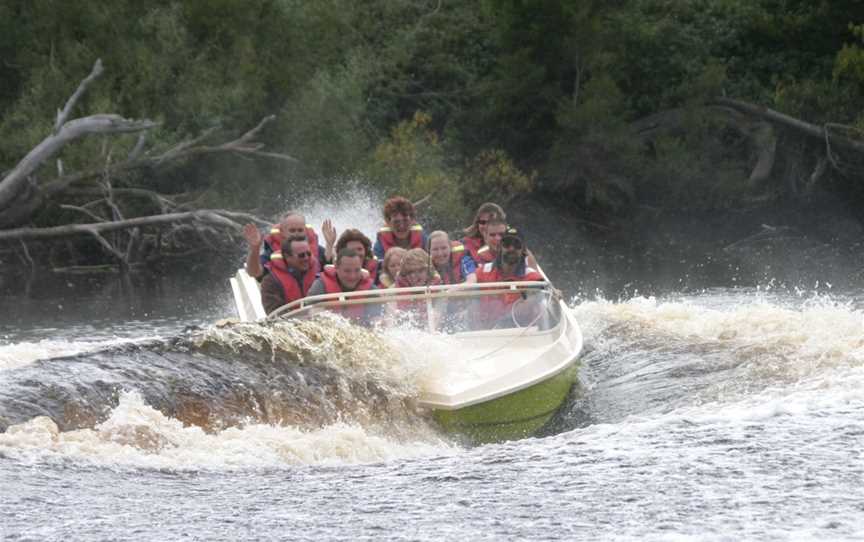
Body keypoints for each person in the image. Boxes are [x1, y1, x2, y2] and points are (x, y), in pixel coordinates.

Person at [474, 227, 545, 328]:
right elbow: (469, 286)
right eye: (507, 244)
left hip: (523, 334)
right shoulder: (483, 271)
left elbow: (541, 294)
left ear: (523, 250)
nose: (511, 248)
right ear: (500, 248)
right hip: (485, 334)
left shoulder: (532, 277)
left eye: (517, 245)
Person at [243, 212, 336, 279]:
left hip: (315, 302)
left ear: (305, 231)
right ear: (282, 233)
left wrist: (329, 244)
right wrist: (255, 249)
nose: (296, 234)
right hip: (285, 304)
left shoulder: (315, 250)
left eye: (300, 230)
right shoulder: (272, 254)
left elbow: (328, 266)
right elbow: (254, 272)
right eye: (292, 231)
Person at [306, 248, 377, 322]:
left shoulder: (371, 291)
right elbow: (310, 314)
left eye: (357, 270)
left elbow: (378, 318)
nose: (352, 276)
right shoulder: (320, 286)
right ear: (336, 267)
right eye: (347, 271)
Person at [260, 236, 319, 315]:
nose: (306, 258)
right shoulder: (271, 282)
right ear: (287, 257)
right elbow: (274, 314)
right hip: (292, 323)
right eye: (301, 255)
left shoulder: (318, 271)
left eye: (308, 254)